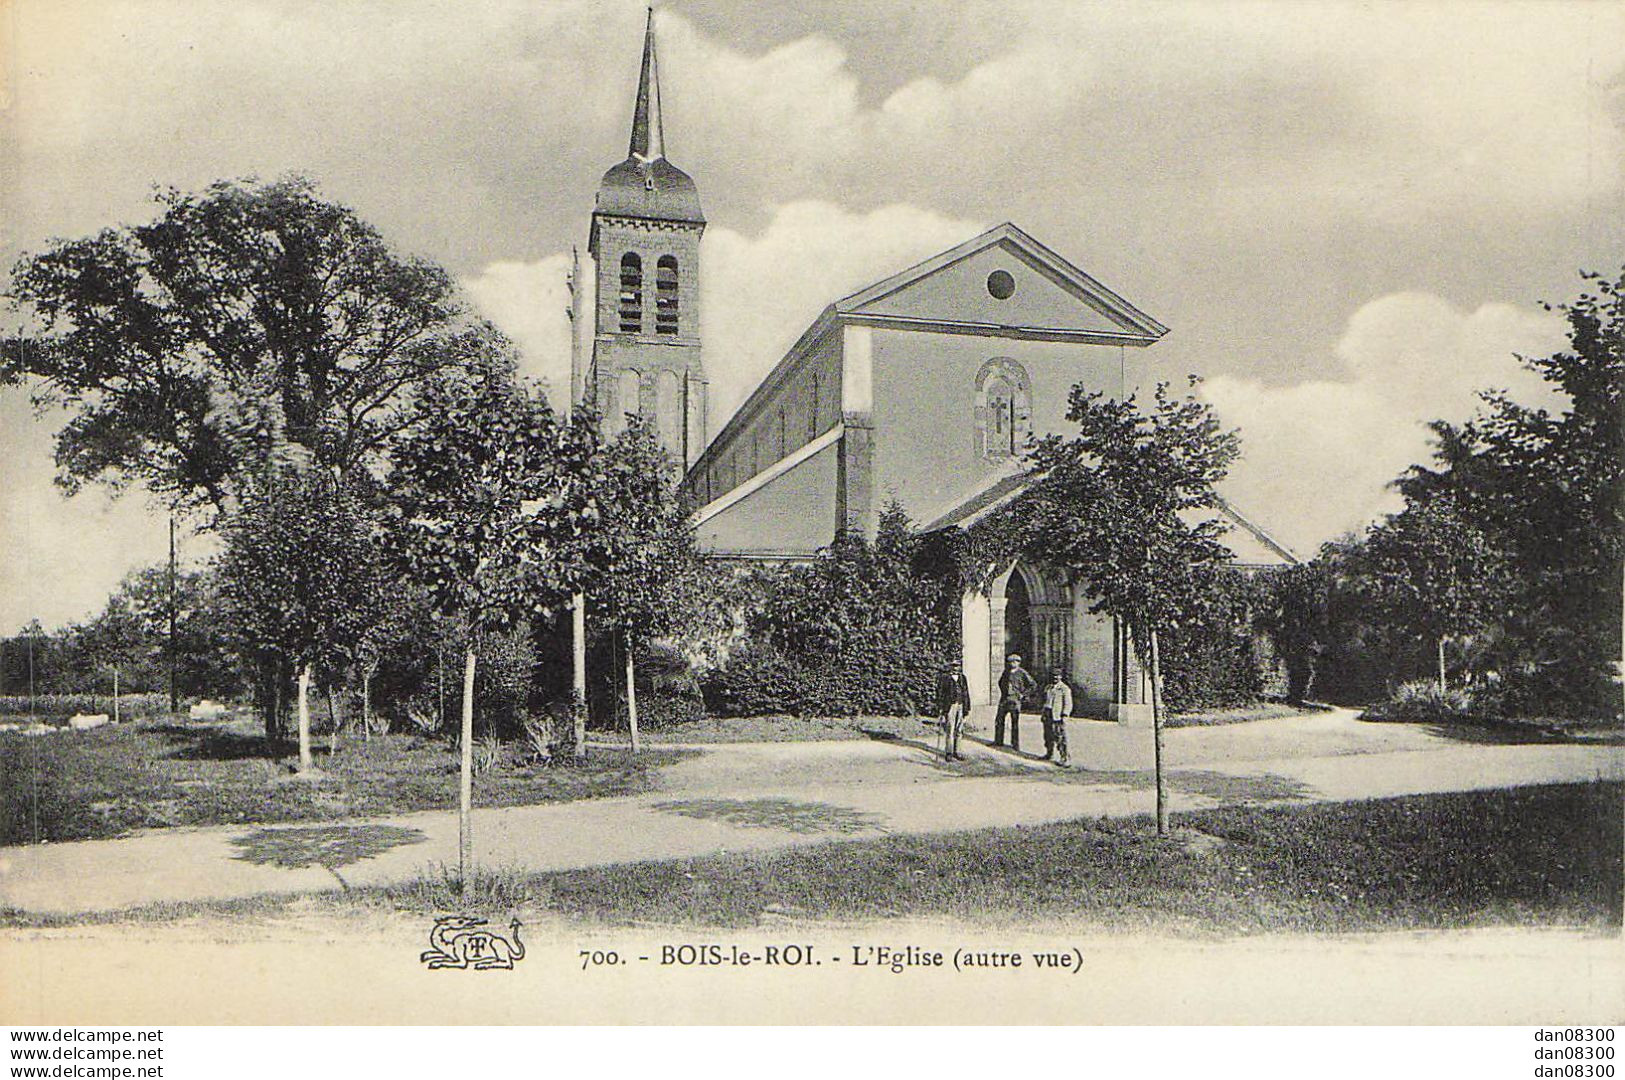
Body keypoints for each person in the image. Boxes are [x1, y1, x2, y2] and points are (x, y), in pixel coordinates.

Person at [994, 654, 1035, 750]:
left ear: (1018, 663)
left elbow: (1032, 685)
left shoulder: (1022, 673)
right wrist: (1004, 691)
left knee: (1014, 722)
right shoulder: (1006, 672)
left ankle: (1015, 744)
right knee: (999, 720)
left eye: (1015, 662)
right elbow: (1000, 682)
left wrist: (1023, 694)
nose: (1012, 664)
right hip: (1004, 699)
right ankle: (998, 741)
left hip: (1015, 700)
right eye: (1010, 662)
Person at [935, 660, 972, 761]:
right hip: (950, 706)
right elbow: (940, 693)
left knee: (959, 729)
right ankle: (949, 752)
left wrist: (967, 708)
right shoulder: (944, 678)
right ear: (950, 667)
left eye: (958, 666)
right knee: (950, 729)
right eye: (954, 666)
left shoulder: (962, 678)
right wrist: (941, 707)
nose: (956, 668)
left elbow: (966, 693)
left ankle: (958, 751)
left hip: (961, 705)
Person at [1042, 670, 1073, 766]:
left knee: (1060, 737)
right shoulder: (1048, 687)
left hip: (1057, 715)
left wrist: (1065, 714)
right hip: (1048, 713)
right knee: (1048, 735)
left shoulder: (1064, 689)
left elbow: (1068, 703)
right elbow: (1045, 701)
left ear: (1061, 677)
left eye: (1057, 676)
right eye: (1053, 676)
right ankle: (1049, 753)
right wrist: (1043, 714)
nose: (1055, 678)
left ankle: (1065, 758)